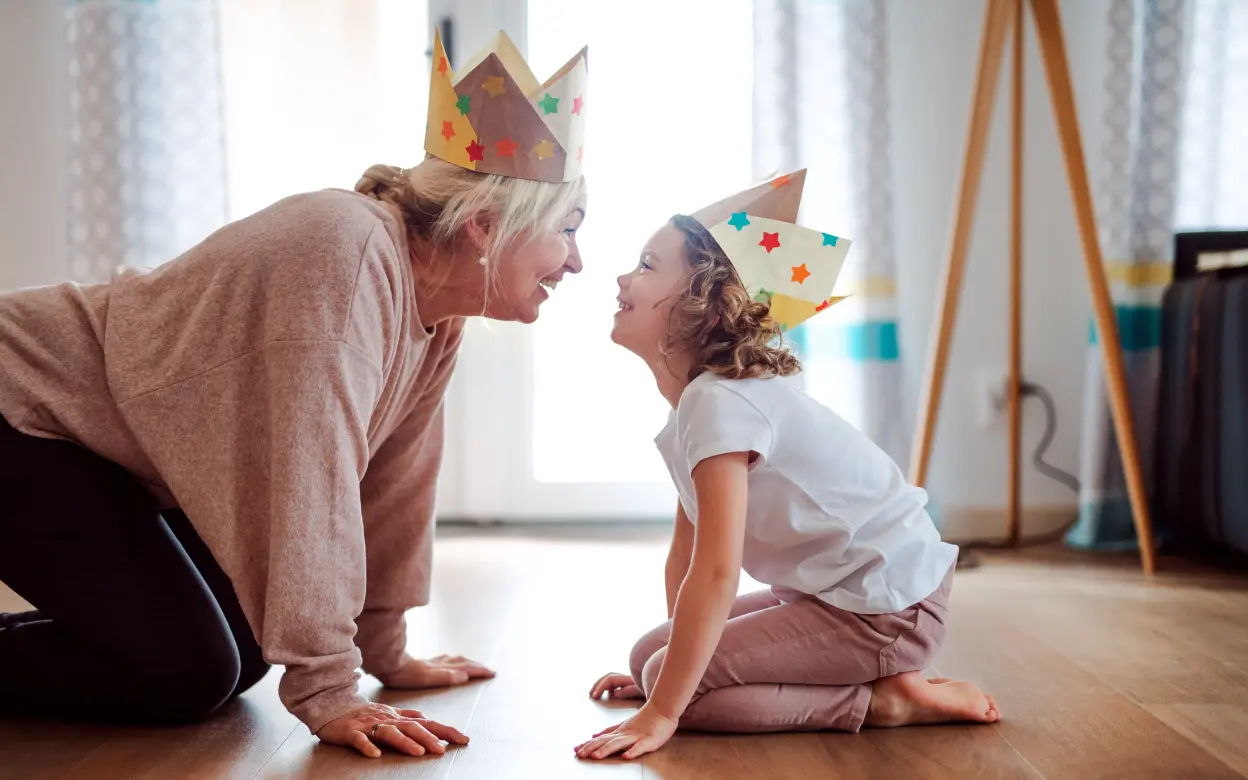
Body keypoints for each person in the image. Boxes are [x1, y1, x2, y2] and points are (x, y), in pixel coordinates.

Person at [0, 30, 589, 760]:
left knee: (247, 644)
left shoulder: (436, 314)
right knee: (190, 672)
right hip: (20, 409)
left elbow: (395, 478)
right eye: (568, 231)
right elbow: (310, 475)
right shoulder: (345, 252)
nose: (579, 263)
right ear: (483, 226)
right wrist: (326, 690)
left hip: (102, 448)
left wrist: (381, 648)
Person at [574, 170, 999, 762]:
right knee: (651, 654)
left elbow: (718, 573)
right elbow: (688, 552)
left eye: (647, 265)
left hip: (888, 608)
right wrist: (674, 664)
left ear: (703, 305)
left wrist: (666, 702)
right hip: (844, 595)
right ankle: (881, 681)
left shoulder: (719, 404)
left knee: (681, 694)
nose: (623, 276)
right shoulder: (697, 405)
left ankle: (882, 702)